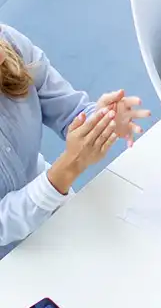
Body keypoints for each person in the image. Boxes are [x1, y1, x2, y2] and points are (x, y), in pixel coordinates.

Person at [0, 25, 150, 258]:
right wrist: (63, 172)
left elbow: (70, 110)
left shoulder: (9, 41)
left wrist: (101, 120)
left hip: (53, 207)